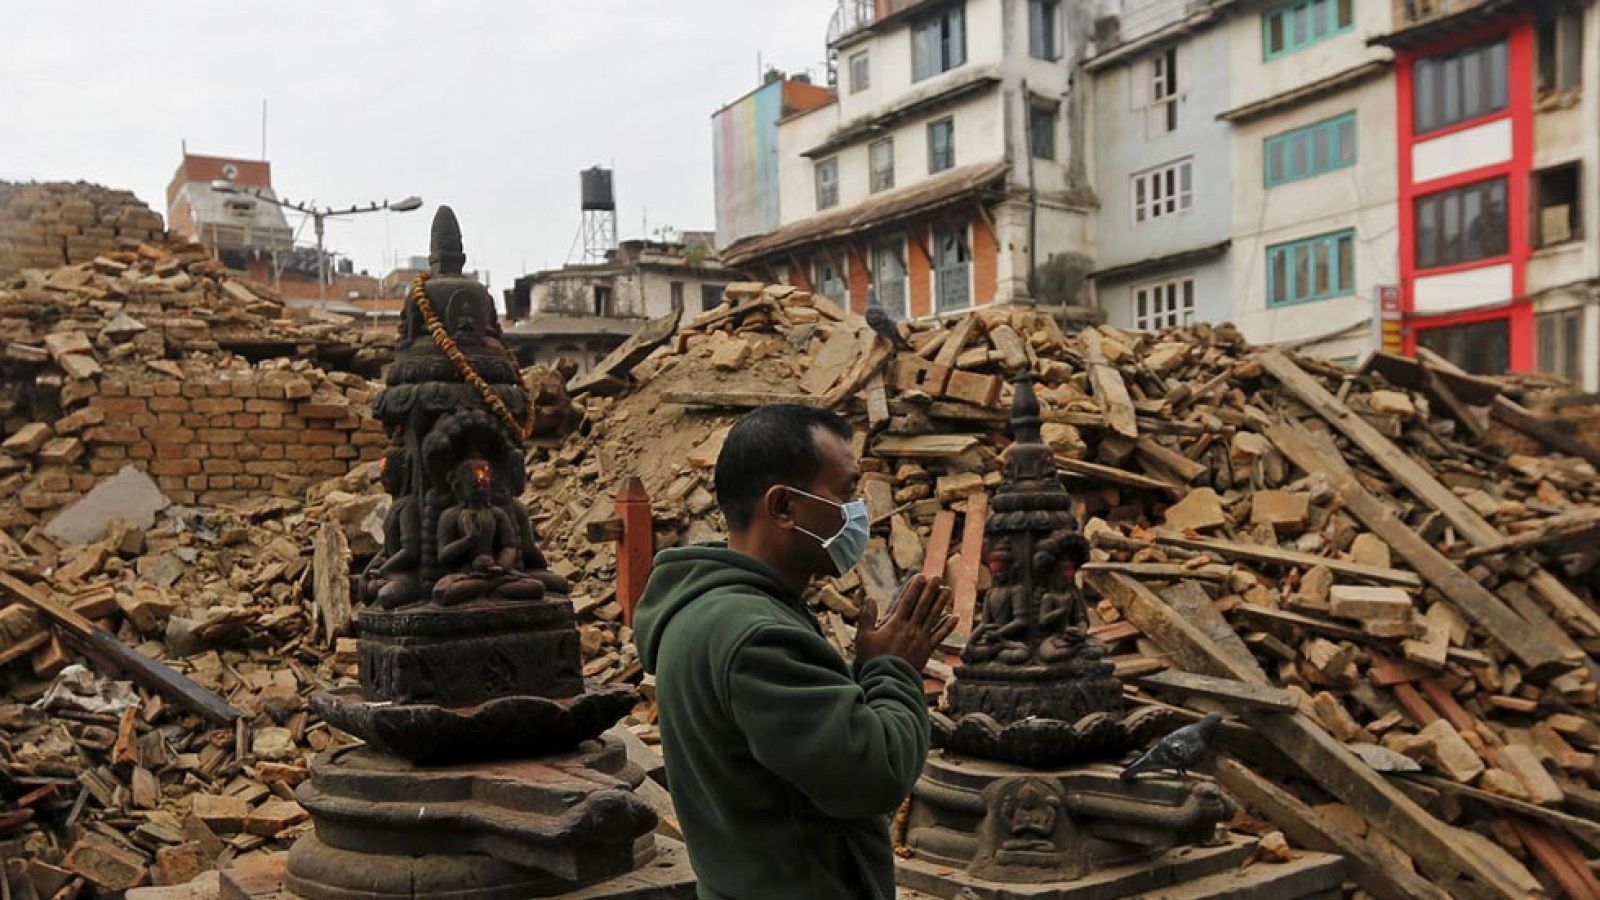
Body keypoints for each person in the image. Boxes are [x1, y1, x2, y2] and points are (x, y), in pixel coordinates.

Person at [634, 404, 957, 900]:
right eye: (847, 492)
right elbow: (874, 775)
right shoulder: (756, 636)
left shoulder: (712, 609)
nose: (859, 511)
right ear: (783, 507)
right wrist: (893, 668)